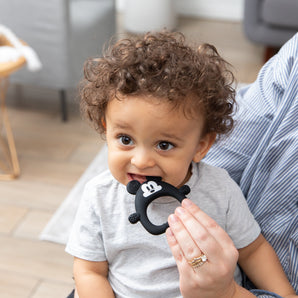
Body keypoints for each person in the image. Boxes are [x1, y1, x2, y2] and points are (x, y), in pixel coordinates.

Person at [65, 31, 297, 298]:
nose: (140, 161)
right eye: (125, 139)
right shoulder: (99, 195)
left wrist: (285, 294)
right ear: (107, 130)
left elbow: (252, 250)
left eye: (164, 145)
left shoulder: (220, 189)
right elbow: (89, 271)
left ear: (201, 146)